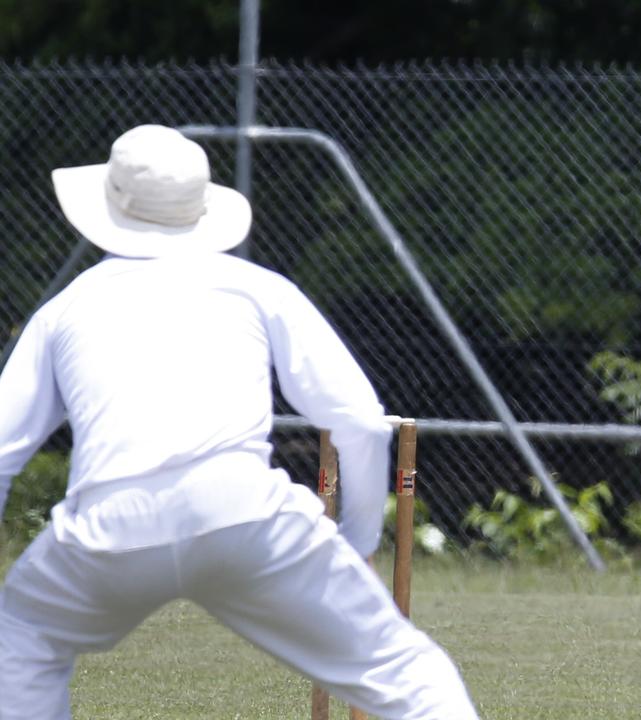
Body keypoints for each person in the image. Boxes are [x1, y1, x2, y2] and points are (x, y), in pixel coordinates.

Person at [0, 124, 480, 720]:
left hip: (108, 523)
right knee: (403, 670)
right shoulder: (259, 289)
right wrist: (356, 544)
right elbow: (358, 420)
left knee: (18, 642)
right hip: (243, 511)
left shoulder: (64, 308)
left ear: (108, 205)